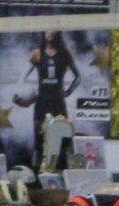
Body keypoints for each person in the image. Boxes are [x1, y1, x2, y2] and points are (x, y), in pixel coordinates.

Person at [14, 31, 81, 167]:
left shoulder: (64, 54)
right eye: (47, 30)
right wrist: (20, 93)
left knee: (62, 140)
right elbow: (22, 78)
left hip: (58, 102)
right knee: (39, 140)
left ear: (58, 33)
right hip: (42, 101)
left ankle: (60, 172)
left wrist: (68, 91)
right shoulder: (37, 53)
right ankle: (37, 173)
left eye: (53, 30)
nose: (50, 33)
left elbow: (78, 76)